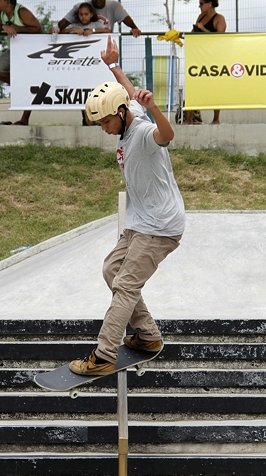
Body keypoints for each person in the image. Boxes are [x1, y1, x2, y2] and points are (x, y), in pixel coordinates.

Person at [69, 36, 185, 378]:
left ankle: (104, 355)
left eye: (105, 123)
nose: (104, 130)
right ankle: (147, 336)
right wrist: (113, 64)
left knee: (125, 286)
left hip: (161, 226)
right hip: (140, 221)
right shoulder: (126, 111)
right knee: (111, 270)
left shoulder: (145, 131)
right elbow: (127, 89)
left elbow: (168, 136)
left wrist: (156, 109)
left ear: (120, 115)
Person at [0, 0, 42, 126]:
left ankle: (24, 118)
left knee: (30, 82)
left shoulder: (22, 12)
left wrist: (18, 29)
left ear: (8, 2)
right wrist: (3, 27)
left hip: (29, 52)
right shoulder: (1, 13)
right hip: (14, 51)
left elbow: (38, 29)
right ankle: (19, 84)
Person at [184, 0, 227, 126]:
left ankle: (216, 119)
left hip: (214, 57)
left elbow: (220, 39)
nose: (199, 7)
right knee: (194, 85)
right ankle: (188, 119)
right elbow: (194, 35)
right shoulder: (201, 17)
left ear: (209, 4)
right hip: (199, 56)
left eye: (201, 4)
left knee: (215, 87)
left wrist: (204, 29)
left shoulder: (219, 19)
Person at [58, 0, 141, 38]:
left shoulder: (114, 6)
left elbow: (125, 19)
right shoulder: (80, 7)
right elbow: (61, 25)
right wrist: (61, 29)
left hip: (104, 43)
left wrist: (134, 28)